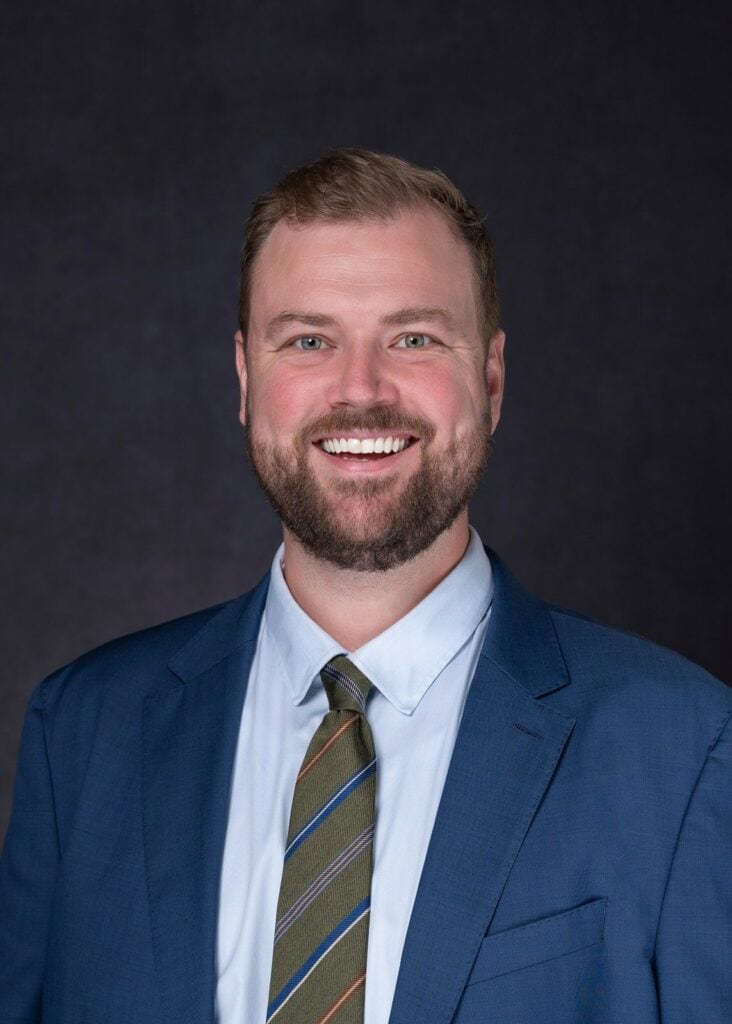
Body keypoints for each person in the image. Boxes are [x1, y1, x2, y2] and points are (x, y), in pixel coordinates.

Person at [0, 148, 730, 1024]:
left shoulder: (685, 750)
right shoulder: (81, 733)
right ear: (245, 379)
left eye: (414, 338)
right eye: (309, 340)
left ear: (490, 381)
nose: (361, 391)